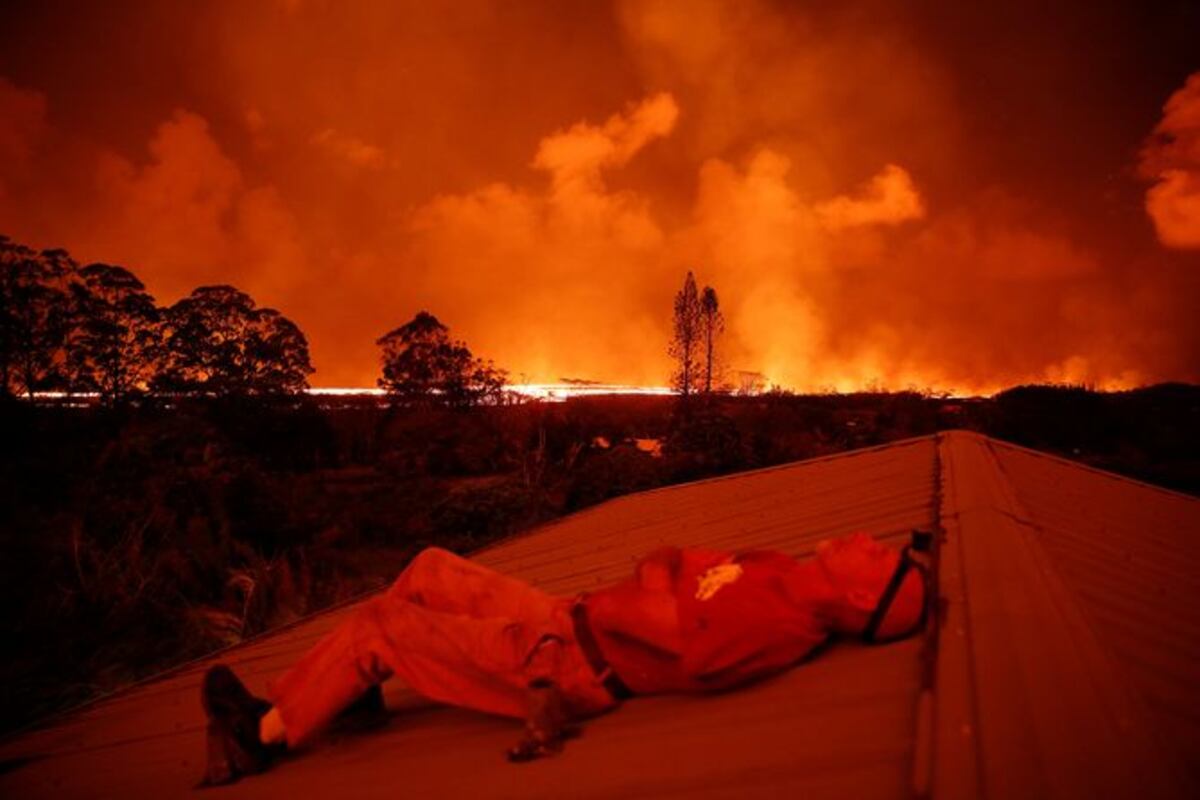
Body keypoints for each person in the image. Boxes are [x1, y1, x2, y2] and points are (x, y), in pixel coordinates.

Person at [199, 532, 929, 786]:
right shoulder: (776, 568)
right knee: (426, 571)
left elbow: (670, 633)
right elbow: (669, 559)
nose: (869, 539)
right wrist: (656, 582)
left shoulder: (779, 622)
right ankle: (349, 692)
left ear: (864, 599)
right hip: (565, 618)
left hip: (569, 664)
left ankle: (259, 737)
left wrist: (652, 589)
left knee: (383, 622)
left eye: (881, 555)